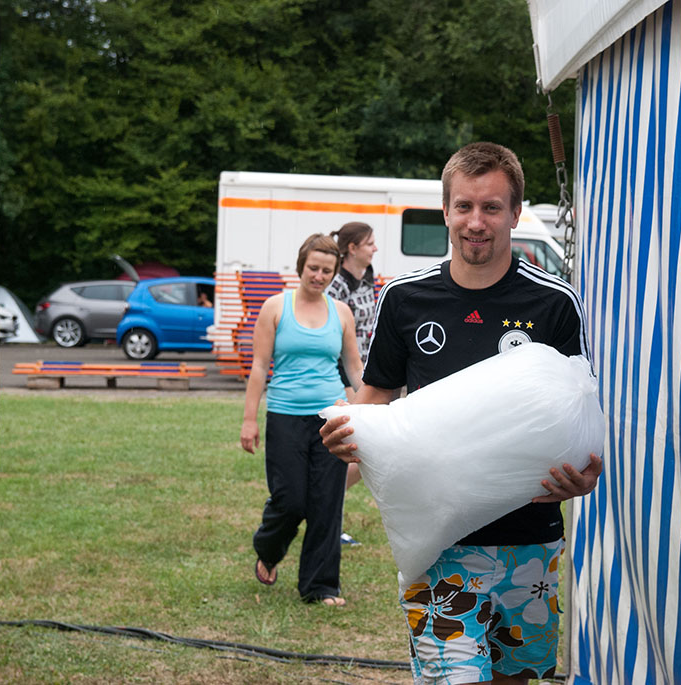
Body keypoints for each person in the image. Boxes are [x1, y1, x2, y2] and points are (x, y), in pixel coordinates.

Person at [320, 142, 603, 683]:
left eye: (492, 207)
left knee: (518, 679)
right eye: (464, 206)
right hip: (438, 542)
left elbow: (581, 415)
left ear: (515, 213)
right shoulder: (405, 298)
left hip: (530, 542)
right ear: (445, 211)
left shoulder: (555, 302)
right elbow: (376, 396)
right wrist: (347, 437)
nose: (476, 222)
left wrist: (586, 476)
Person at [241, 233, 363, 607]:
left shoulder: (341, 312)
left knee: (327, 503)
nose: (319, 276)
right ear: (301, 266)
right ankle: (268, 548)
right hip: (285, 415)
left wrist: (370, 407)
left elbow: (354, 368)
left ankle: (320, 587)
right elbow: (259, 367)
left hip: (331, 418)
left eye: (326, 270)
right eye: (313, 268)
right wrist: (249, 420)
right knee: (290, 500)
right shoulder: (275, 307)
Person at [328, 222, 379, 546]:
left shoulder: (368, 277)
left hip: (363, 372)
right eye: (369, 243)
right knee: (357, 447)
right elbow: (331, 336)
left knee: (365, 453)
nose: (375, 249)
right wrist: (351, 385)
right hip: (341, 373)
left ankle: (320, 503)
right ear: (352, 248)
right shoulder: (336, 286)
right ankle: (324, 511)